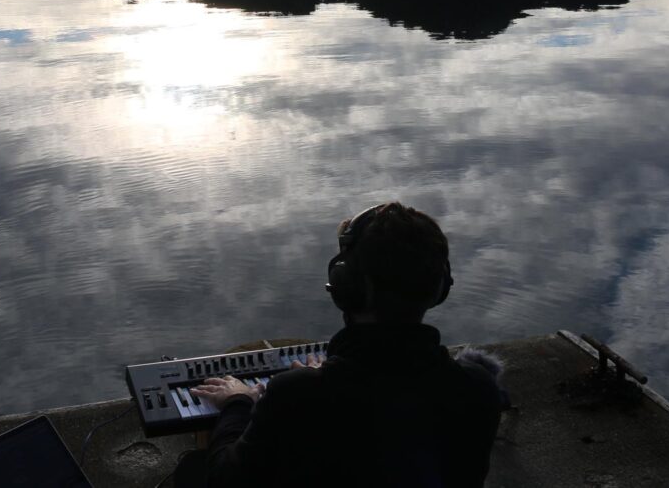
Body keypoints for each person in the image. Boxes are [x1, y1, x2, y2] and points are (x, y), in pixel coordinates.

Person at [177, 202, 507, 488]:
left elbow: (224, 481)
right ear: (440, 288)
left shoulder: (296, 394)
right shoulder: (478, 389)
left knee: (193, 470)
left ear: (344, 287)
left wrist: (238, 403)